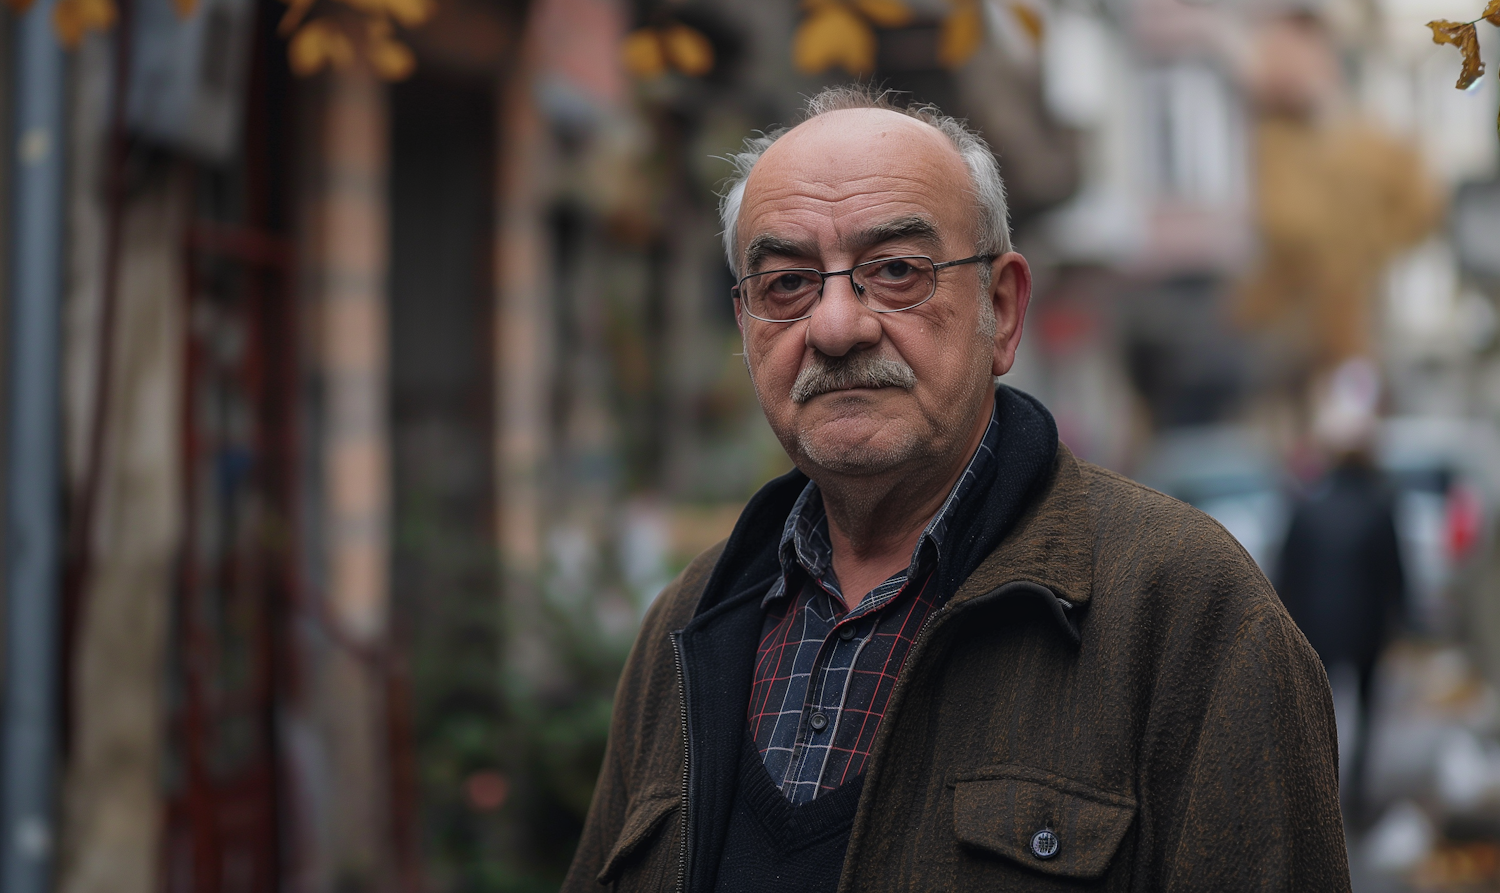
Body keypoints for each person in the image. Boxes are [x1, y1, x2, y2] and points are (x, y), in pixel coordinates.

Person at [563, 87, 1347, 892]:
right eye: (787, 283)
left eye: (897, 270)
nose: (835, 326)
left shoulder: (1186, 611)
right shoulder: (690, 625)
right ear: (746, 326)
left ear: (1001, 311)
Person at [1277, 359, 1406, 826]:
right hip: (1367, 623)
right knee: (1367, 707)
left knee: (1318, 708)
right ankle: (1356, 790)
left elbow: (1287, 571)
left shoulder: (1307, 507)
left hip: (1315, 624)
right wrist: (1401, 620)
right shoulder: (1379, 506)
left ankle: (1319, 787)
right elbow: (1394, 572)